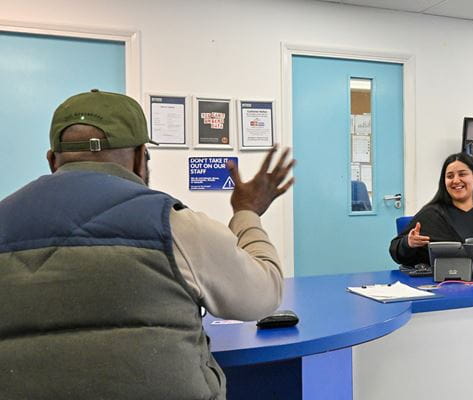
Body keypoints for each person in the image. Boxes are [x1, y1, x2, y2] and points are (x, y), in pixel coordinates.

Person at [0, 90, 294, 399]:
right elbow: (262, 295)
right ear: (142, 157)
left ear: (52, 160)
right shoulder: (176, 225)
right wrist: (247, 212)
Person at [389, 152, 473, 266]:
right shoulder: (431, 214)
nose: (456, 180)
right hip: (445, 280)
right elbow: (396, 250)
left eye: (462, 174)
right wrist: (408, 243)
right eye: (450, 176)